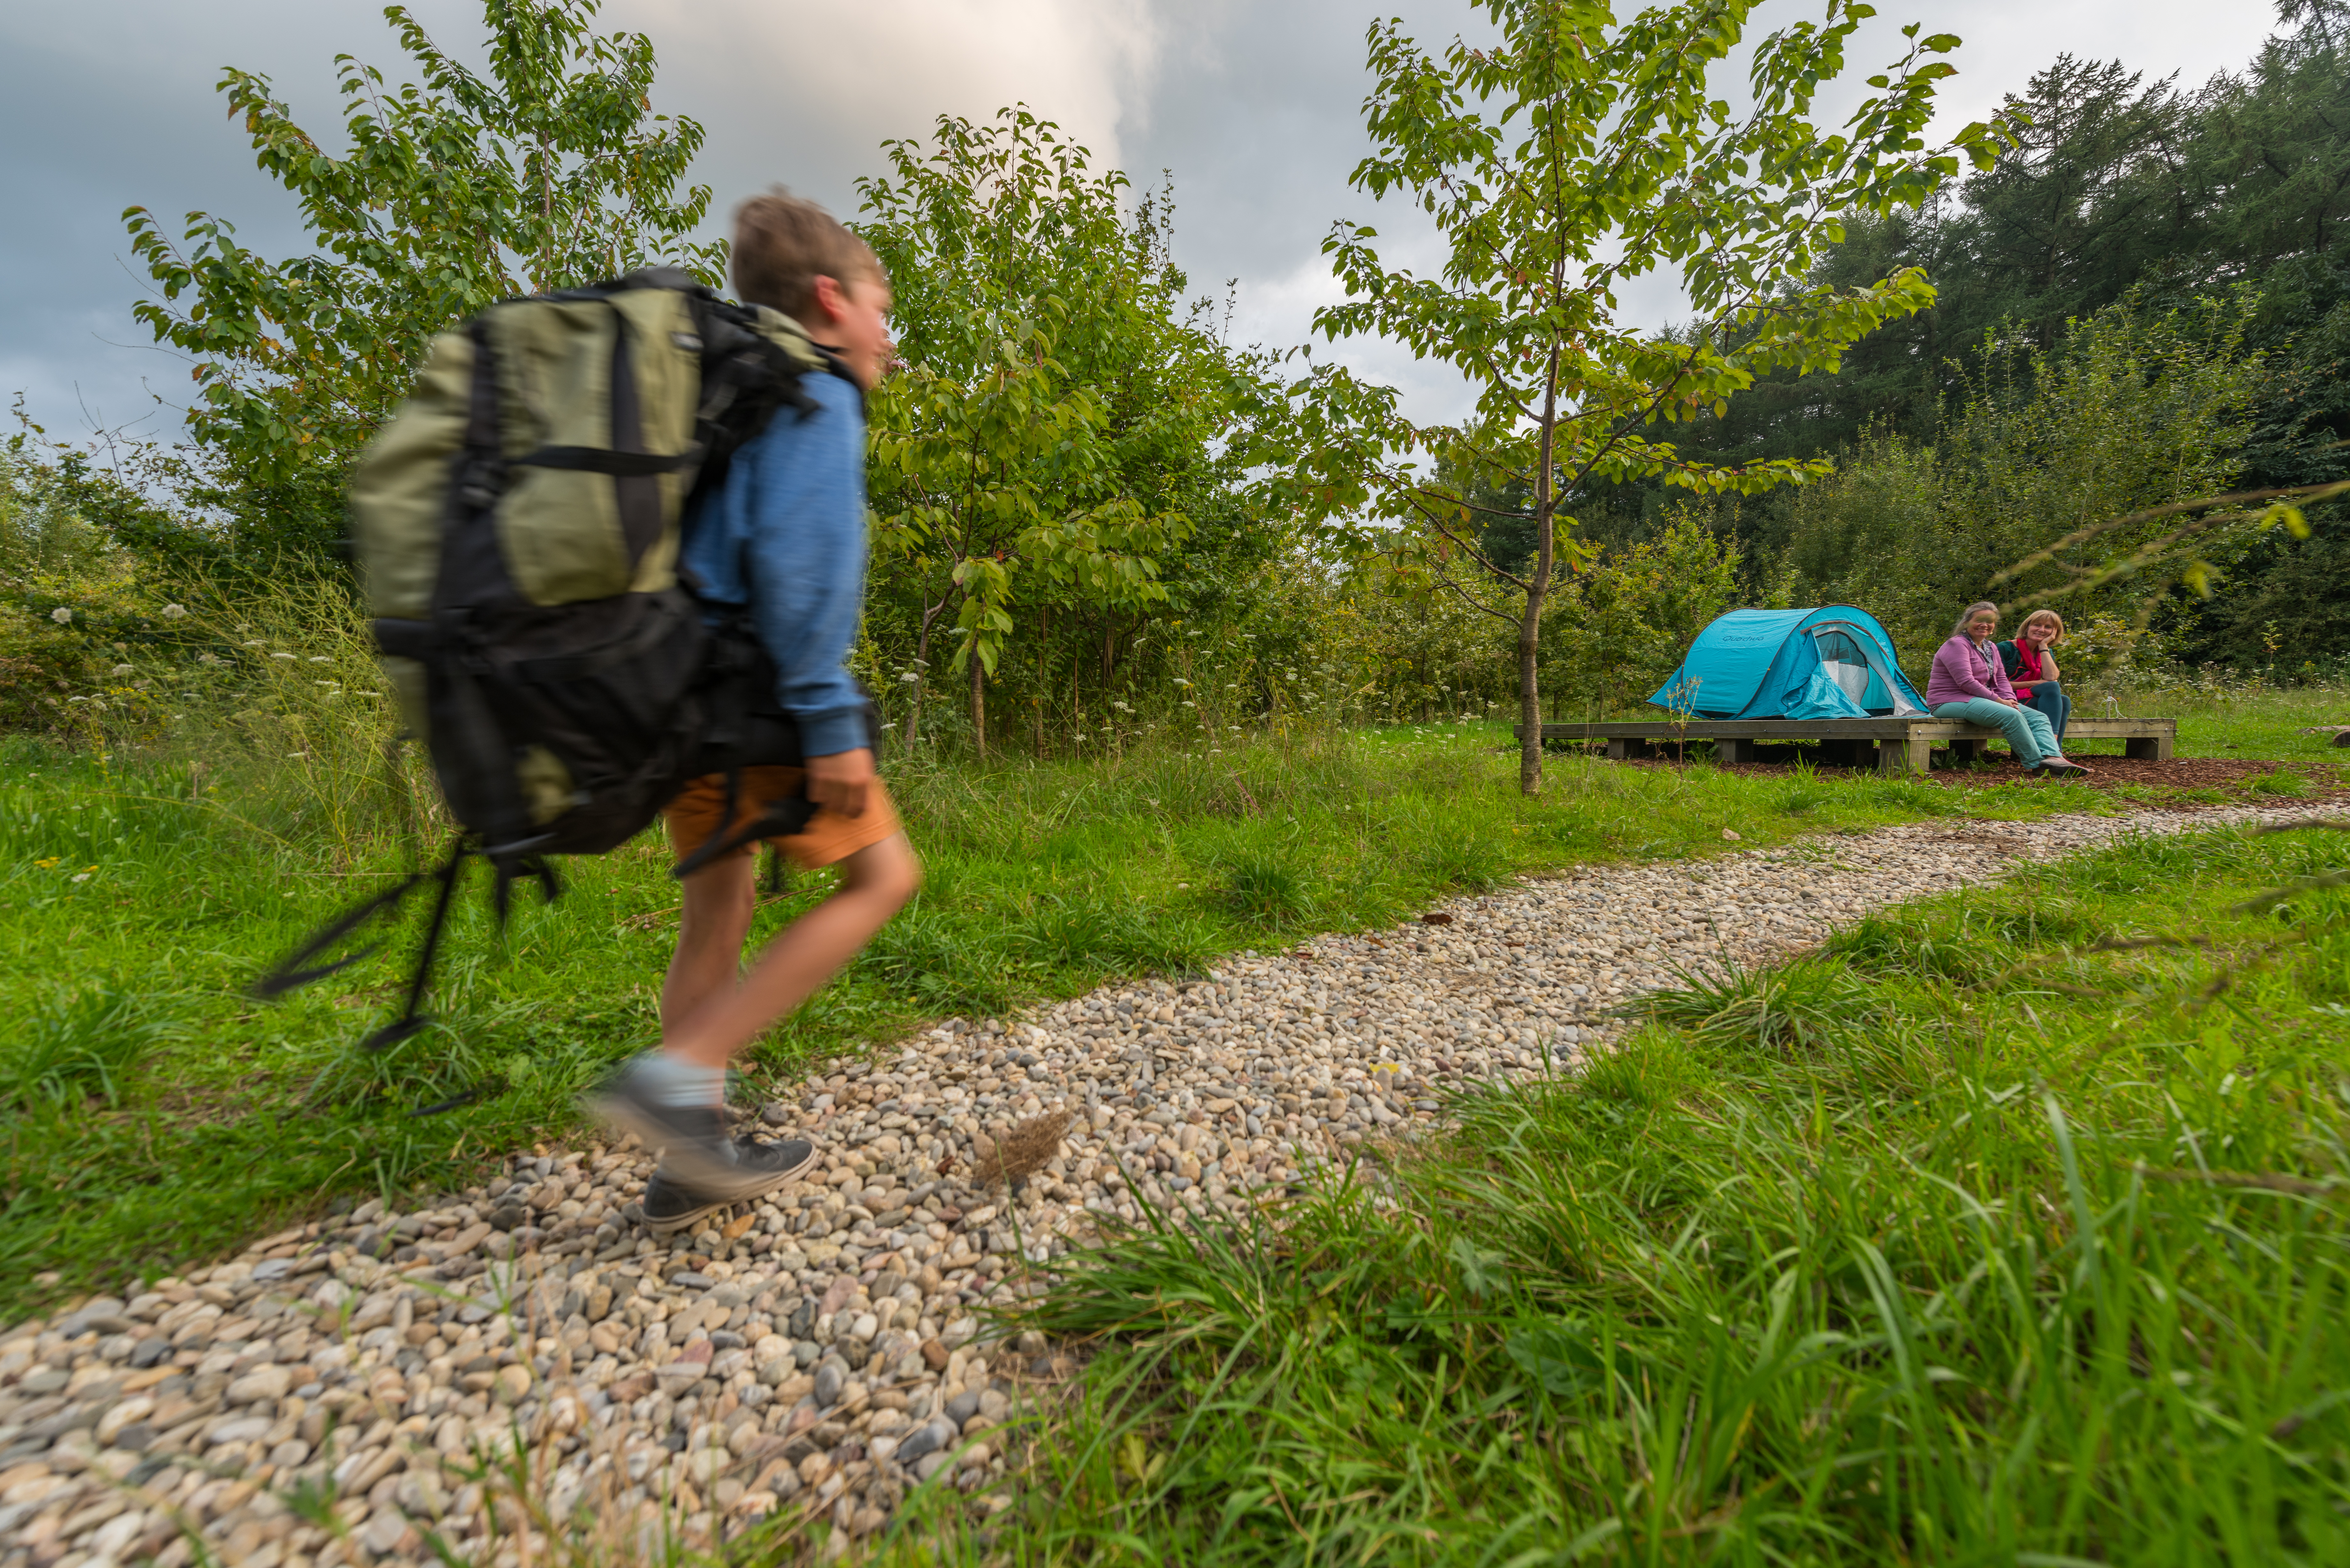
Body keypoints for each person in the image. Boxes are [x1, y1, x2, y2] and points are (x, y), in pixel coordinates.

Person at [589, 191, 922, 1236]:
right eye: (883, 307)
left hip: (678, 683)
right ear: (831, 300)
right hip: (757, 697)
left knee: (719, 907)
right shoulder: (815, 397)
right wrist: (829, 719)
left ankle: (692, 1157)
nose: (889, 333)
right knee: (884, 876)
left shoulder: (732, 391)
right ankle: (680, 1074)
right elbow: (803, 572)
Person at [1926, 600, 2091, 777]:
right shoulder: (1957, 644)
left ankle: (2054, 758)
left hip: (1978, 700)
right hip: (1949, 701)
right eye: (1979, 620)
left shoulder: (1990, 647)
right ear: (1966, 622)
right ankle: (2038, 765)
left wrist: (2010, 700)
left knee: (2038, 716)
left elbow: (2001, 680)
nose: (1985, 625)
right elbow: (1966, 682)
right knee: (2012, 716)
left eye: (1990, 621)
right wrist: (1999, 701)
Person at [1997, 608, 2071, 740]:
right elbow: (1997, 684)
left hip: (2026, 699)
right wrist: (2038, 683)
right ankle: (2052, 742)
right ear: (2027, 627)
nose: (2042, 630)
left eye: (2048, 627)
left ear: (2054, 633)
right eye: (2037, 625)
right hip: (2004, 699)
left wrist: (2043, 646)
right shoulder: (2004, 648)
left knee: (2064, 700)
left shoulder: (2045, 651)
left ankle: (2054, 749)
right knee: (2052, 687)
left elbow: (2051, 677)